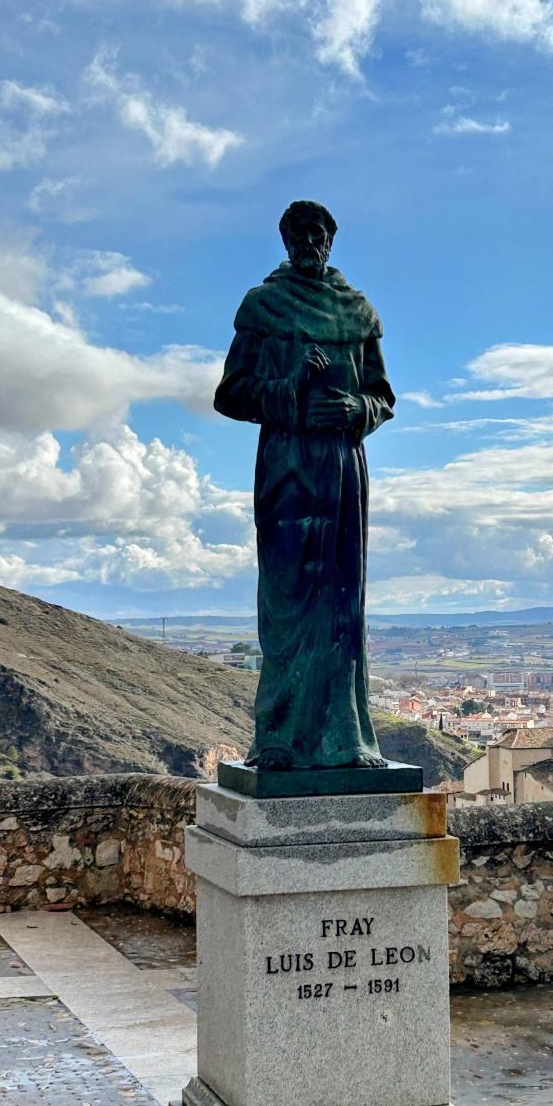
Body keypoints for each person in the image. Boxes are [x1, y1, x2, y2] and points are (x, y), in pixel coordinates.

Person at [214, 201, 394, 770]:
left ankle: (348, 739)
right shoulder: (263, 306)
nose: (310, 243)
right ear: (286, 240)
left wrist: (356, 408)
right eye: (300, 234)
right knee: (287, 603)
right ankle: (279, 739)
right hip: (287, 468)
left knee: (343, 607)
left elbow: (382, 397)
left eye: (319, 234)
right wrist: (290, 387)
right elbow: (230, 394)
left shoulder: (357, 311)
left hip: (342, 468)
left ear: (331, 241)